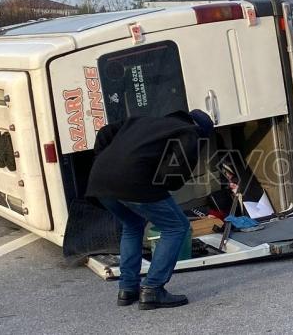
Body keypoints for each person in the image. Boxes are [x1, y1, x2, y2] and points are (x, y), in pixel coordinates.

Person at [86, 109, 214, 310]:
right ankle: (153, 289)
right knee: (177, 226)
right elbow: (175, 171)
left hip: (100, 181)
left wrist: (103, 161)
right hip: (135, 182)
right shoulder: (190, 132)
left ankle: (127, 289)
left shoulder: (141, 120)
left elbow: (104, 132)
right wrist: (161, 184)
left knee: (132, 224)